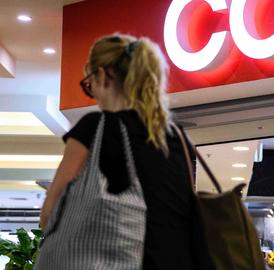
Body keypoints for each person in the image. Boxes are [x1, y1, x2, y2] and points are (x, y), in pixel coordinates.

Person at [39, 34, 210, 269]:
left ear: (102, 75)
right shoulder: (176, 137)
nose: (93, 94)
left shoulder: (95, 127)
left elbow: (50, 213)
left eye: (89, 84)